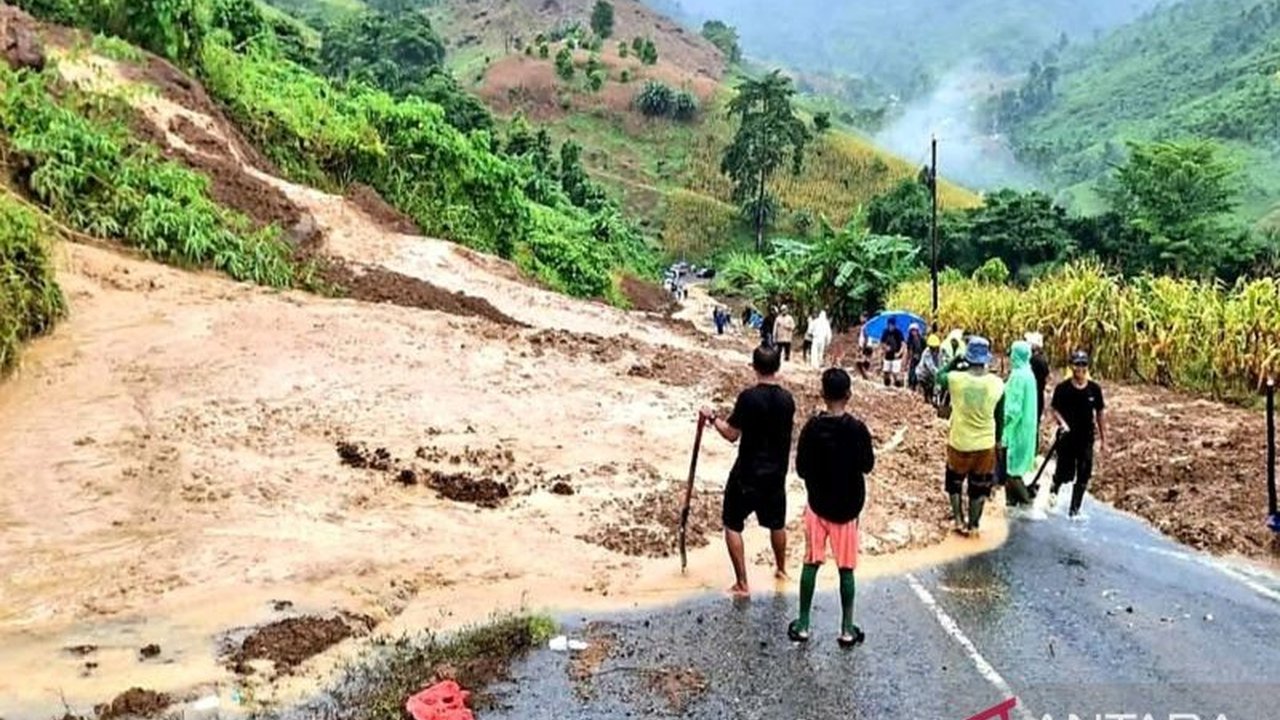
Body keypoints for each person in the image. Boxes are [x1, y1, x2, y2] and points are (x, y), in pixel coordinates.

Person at [700, 346, 795, 596]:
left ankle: (742, 583)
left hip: (747, 474)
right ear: (778, 366)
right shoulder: (788, 400)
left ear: (754, 366)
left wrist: (712, 419)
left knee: (732, 523)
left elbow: (731, 434)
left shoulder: (748, 398)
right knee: (777, 523)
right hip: (776, 474)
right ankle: (782, 569)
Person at [788, 368, 874, 648]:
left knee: (811, 562)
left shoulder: (812, 428)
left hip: (818, 506)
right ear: (848, 395)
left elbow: (800, 470)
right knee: (846, 569)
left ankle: (803, 625)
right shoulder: (858, 429)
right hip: (847, 510)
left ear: (823, 395)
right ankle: (847, 629)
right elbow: (867, 466)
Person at [937, 337, 1004, 535]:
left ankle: (958, 519)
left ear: (968, 357)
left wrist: (954, 361)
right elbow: (999, 417)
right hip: (985, 444)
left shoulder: (956, 379)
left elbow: (938, 376)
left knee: (954, 482)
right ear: (986, 359)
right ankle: (973, 526)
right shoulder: (997, 384)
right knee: (979, 487)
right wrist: (998, 441)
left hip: (960, 442)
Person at [1049, 351, 1107, 518]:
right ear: (1071, 366)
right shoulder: (1063, 388)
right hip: (1067, 439)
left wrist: (1104, 440)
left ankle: (1074, 511)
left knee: (1084, 474)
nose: (1080, 368)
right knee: (1065, 473)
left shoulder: (1094, 390)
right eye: (1077, 364)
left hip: (1086, 439)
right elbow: (1054, 409)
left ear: (1087, 367)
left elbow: (1100, 414)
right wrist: (1062, 423)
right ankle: (1054, 489)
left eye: (1083, 365)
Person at [1001, 341, 1038, 509]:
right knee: (1013, 471)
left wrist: (1002, 423)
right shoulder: (1028, 374)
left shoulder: (1018, 376)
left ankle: (1027, 504)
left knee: (1011, 473)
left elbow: (1013, 409)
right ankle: (1011, 505)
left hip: (1016, 431)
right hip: (1027, 429)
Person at [1026, 332, 1051, 443]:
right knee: (1035, 422)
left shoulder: (1033, 361)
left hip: (1032, 395)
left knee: (1030, 422)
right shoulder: (1042, 359)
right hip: (1038, 393)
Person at [879, 317, 906, 388]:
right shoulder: (885, 332)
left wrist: (899, 353)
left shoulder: (898, 332)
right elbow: (882, 342)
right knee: (886, 372)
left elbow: (903, 344)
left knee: (895, 373)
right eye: (890, 325)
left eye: (892, 325)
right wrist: (885, 348)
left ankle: (898, 385)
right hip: (887, 355)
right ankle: (887, 385)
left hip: (896, 355)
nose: (891, 326)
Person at [916, 333, 943, 404]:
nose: (934, 350)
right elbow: (931, 367)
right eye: (932, 348)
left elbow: (940, 363)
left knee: (933, 392)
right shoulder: (927, 353)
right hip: (923, 375)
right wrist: (939, 375)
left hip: (932, 376)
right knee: (925, 393)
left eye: (935, 347)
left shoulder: (940, 352)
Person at [906, 323, 926, 391]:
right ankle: (911, 385)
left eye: (915, 330)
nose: (913, 332)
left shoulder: (922, 340)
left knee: (919, 372)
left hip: (921, 357)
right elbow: (909, 350)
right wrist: (909, 357)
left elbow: (924, 349)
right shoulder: (909, 340)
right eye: (912, 331)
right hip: (913, 358)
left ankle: (917, 385)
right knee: (912, 372)